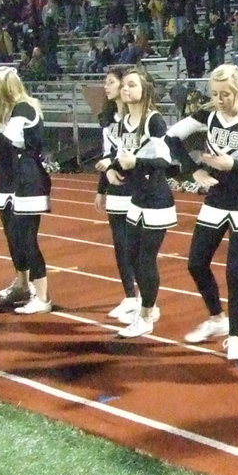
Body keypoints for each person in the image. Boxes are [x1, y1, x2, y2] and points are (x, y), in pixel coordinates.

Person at [166, 64, 238, 361]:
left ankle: (236, 336)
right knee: (196, 264)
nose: (219, 99)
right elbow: (171, 136)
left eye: (225, 94)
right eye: (214, 93)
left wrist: (232, 165)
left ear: (237, 91)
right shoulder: (208, 115)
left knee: (236, 273)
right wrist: (192, 170)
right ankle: (216, 318)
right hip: (215, 198)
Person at [102, 66, 177, 338]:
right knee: (131, 256)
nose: (126, 89)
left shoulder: (153, 121)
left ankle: (146, 314)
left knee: (146, 259)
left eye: (132, 85)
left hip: (156, 200)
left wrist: (137, 162)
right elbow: (118, 153)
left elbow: (165, 161)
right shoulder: (122, 123)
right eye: (125, 85)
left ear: (145, 90)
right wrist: (111, 167)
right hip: (136, 198)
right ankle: (147, 305)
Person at [0, 66, 52, 312]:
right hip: (10, 178)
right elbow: (9, 147)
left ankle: (43, 297)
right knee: (14, 236)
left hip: (28, 179)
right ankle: (21, 284)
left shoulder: (23, 107)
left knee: (27, 239)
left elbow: (6, 143)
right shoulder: (9, 111)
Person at [94, 67, 139, 320]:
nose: (106, 86)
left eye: (111, 82)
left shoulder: (139, 118)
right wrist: (102, 187)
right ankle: (129, 296)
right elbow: (106, 156)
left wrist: (114, 166)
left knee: (136, 246)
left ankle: (146, 300)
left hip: (136, 188)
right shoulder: (109, 119)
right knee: (120, 246)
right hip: (115, 188)